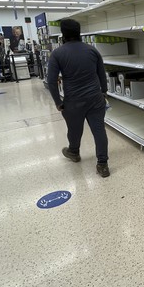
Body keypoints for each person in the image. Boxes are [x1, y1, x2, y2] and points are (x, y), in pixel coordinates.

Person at [47, 19, 110, 177]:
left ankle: (74, 152)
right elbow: (102, 74)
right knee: (99, 130)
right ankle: (102, 165)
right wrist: (104, 93)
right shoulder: (92, 50)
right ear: (79, 32)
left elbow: (51, 81)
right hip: (95, 98)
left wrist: (58, 102)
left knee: (74, 130)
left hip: (73, 101)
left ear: (63, 34)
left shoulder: (58, 54)